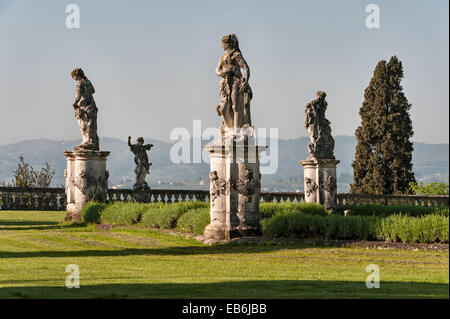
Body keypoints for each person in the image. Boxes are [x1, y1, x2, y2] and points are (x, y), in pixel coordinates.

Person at [215, 34, 253, 137]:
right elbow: (217, 70)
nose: (221, 45)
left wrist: (245, 81)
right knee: (223, 109)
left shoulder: (236, 55)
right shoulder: (223, 57)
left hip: (236, 81)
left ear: (228, 44)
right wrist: (222, 72)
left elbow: (246, 67)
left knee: (236, 106)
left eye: (223, 43)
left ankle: (236, 130)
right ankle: (230, 128)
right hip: (226, 84)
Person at [71, 68, 99, 151]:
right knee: (91, 124)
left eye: (73, 76)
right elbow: (93, 91)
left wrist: (74, 104)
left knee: (84, 125)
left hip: (83, 107)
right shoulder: (87, 82)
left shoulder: (80, 85)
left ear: (76, 75)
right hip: (91, 106)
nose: (73, 78)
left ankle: (87, 141)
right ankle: (90, 141)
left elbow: (78, 97)